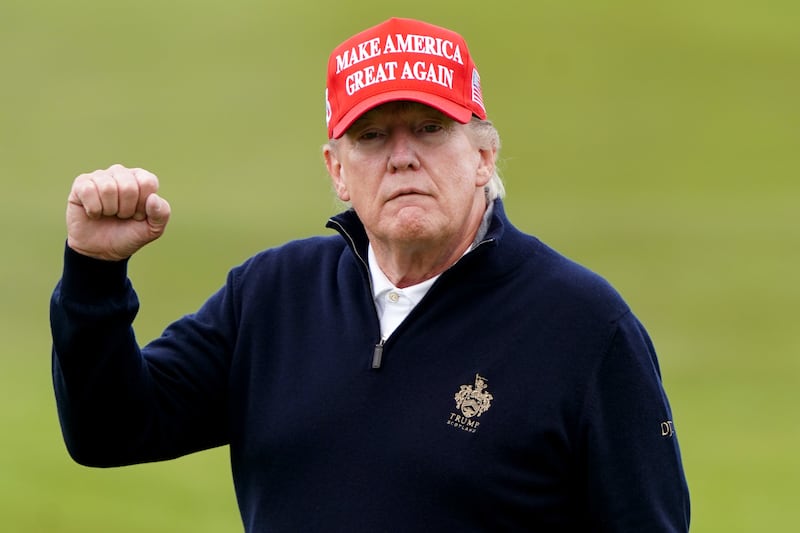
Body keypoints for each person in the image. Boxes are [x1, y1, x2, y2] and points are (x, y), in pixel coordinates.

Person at [50, 17, 690, 532]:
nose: (402, 157)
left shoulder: (583, 326)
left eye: (431, 129)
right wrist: (94, 275)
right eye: (372, 136)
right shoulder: (271, 296)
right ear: (336, 169)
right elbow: (108, 431)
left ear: (482, 155)